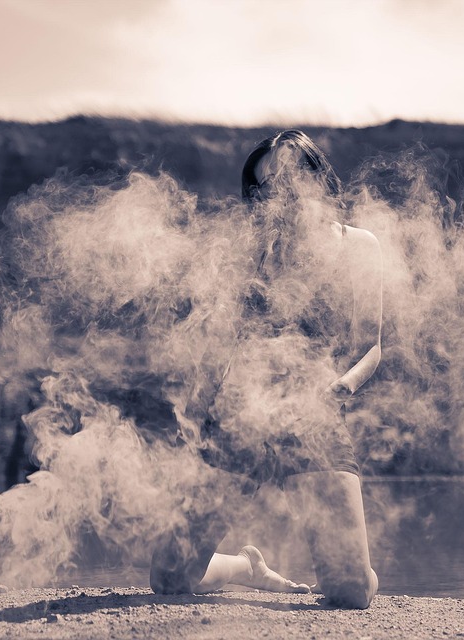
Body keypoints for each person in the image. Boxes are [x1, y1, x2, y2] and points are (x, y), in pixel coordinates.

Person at [148, 130, 382, 609]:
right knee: (170, 578)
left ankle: (353, 564)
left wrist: (345, 385)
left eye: (287, 179)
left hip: (315, 417)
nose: (279, 194)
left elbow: (371, 346)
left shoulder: (359, 247)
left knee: (350, 593)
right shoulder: (247, 250)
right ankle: (245, 568)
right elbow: (218, 342)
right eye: (265, 187)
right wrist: (197, 418)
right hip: (239, 416)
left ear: (316, 175)